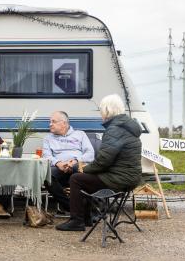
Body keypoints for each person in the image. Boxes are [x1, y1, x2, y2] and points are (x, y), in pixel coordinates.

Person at [56, 94, 142, 231]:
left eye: (101, 110)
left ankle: (77, 221)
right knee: (86, 179)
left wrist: (83, 169)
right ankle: (86, 218)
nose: (101, 113)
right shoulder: (126, 127)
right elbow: (108, 159)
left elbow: (103, 161)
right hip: (131, 177)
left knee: (76, 179)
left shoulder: (114, 129)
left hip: (121, 178)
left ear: (107, 111)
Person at [42, 111, 94, 213]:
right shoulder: (48, 138)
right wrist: (58, 163)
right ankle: (71, 207)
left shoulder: (80, 134)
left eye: (53, 121)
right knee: (46, 175)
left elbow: (90, 154)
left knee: (78, 168)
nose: (50, 124)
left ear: (64, 123)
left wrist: (75, 161)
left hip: (76, 167)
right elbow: (46, 156)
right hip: (59, 168)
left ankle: (81, 209)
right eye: (50, 121)